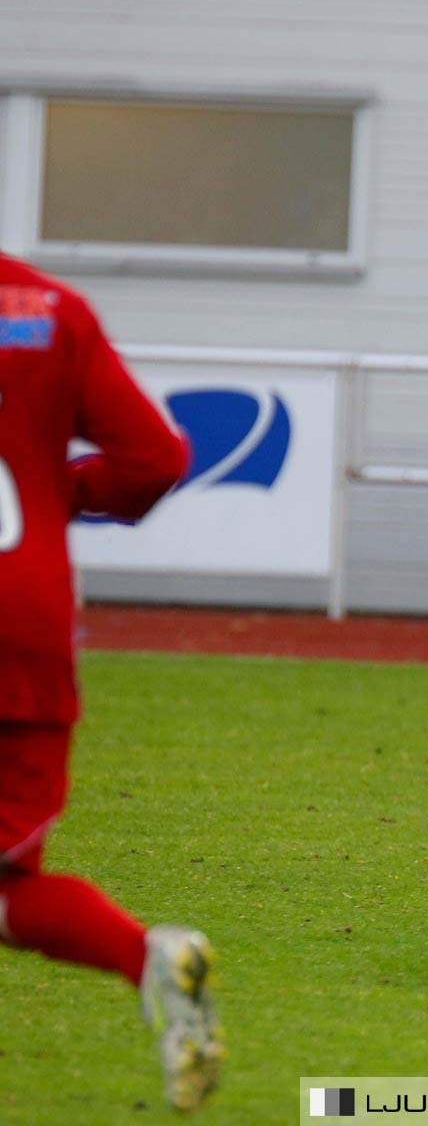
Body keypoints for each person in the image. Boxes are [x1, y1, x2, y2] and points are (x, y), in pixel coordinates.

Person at [0, 252, 221, 1111]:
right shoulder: (48, 308)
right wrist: (58, 494)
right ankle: (150, 960)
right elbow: (155, 456)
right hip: (28, 625)